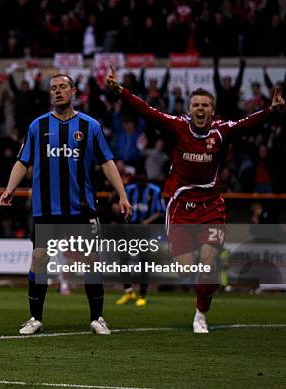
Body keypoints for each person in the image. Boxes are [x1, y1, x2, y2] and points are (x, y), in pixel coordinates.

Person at [106, 65, 285, 333]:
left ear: (212, 111)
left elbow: (248, 123)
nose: (200, 109)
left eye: (205, 105)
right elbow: (148, 111)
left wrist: (272, 110)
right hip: (180, 209)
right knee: (186, 267)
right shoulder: (178, 127)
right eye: (196, 105)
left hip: (212, 207)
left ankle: (201, 315)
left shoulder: (221, 132)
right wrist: (121, 92)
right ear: (189, 110)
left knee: (209, 265)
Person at [0, 73, 132, 336]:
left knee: (92, 261)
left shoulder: (90, 125)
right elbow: (23, 161)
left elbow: (106, 161)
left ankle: (97, 318)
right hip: (46, 209)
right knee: (39, 260)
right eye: (53, 88)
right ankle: (35, 318)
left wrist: (122, 194)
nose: (58, 92)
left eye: (63, 87)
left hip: (81, 208)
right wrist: (9, 188)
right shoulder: (38, 126)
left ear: (73, 91)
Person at [115, 171, 165, 306]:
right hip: (129, 227)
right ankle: (128, 291)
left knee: (143, 261)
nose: (140, 183)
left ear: (146, 180)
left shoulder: (155, 191)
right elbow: (118, 202)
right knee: (123, 259)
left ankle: (142, 295)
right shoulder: (130, 189)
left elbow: (160, 211)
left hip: (143, 230)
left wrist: (146, 222)